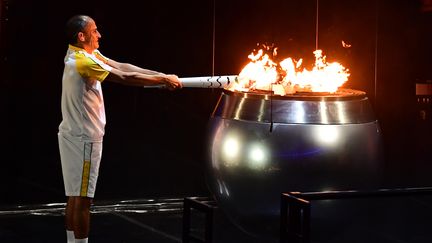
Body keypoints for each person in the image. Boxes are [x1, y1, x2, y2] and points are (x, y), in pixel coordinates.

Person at [58, 15, 182, 243]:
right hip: (84, 140)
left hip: (70, 134)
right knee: (83, 200)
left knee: (75, 196)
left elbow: (121, 66)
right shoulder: (84, 62)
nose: (99, 35)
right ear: (81, 36)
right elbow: (124, 77)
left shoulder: (82, 54)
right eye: (94, 31)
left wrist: (161, 75)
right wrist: (162, 80)